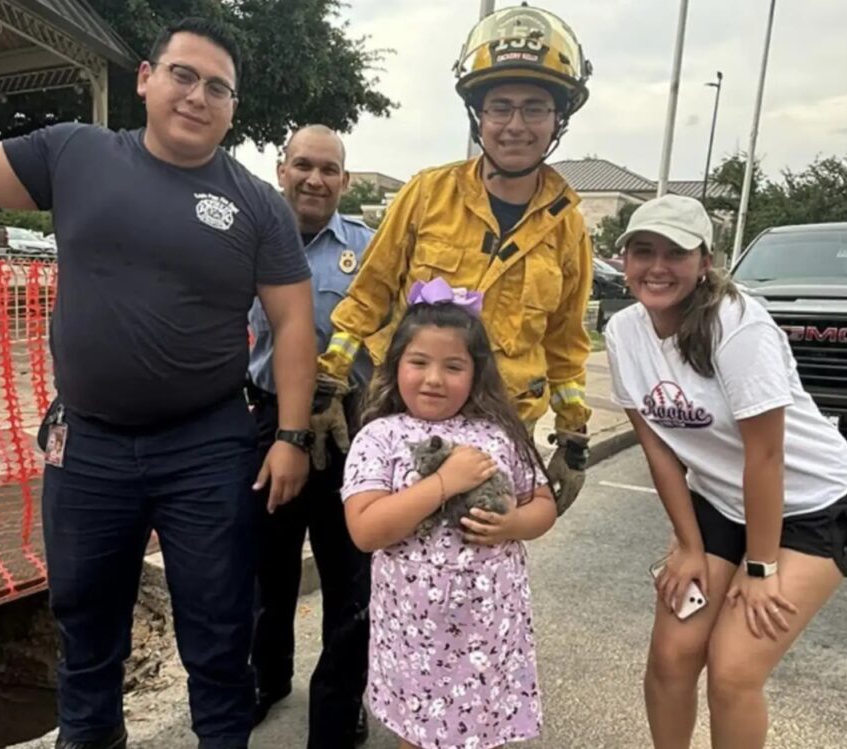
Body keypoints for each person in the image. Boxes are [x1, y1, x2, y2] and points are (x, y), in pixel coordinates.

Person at [0, 14, 317, 749]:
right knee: (85, 624)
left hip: (208, 446)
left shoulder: (257, 203)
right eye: (183, 76)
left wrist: (291, 436)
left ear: (234, 108)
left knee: (220, 627)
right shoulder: (75, 151)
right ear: (145, 79)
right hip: (89, 446)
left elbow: (293, 323)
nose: (198, 97)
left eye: (218, 88)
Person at [313, 5, 596, 515]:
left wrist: (573, 436)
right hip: (409, 422)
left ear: (559, 118)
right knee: (403, 557)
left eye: (534, 108)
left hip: (504, 430)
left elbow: (566, 343)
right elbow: (369, 295)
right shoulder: (426, 195)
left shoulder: (567, 226)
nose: (515, 125)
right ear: (478, 115)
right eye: (500, 107)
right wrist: (328, 384)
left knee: (484, 567)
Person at [603, 195, 847, 749]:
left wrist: (761, 566)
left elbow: (765, 457)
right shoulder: (624, 332)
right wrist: (690, 546)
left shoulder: (738, 327)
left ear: (705, 262)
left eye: (675, 252)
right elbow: (660, 452)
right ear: (623, 260)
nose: (657, 266)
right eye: (642, 251)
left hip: (809, 504)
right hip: (719, 503)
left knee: (733, 667)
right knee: (673, 654)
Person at [342, 277, 558, 749]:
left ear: (476, 374)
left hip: (488, 627)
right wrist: (445, 482)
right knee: (420, 735)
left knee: (482, 730)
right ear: (396, 364)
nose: (434, 378)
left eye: (453, 366)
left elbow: (543, 505)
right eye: (418, 362)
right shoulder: (379, 437)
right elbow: (365, 529)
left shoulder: (500, 434)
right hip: (414, 632)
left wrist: (513, 524)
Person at [246, 125, 371, 746]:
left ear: (345, 181)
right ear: (281, 169)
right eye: (303, 165)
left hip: (352, 429)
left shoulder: (370, 254)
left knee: (350, 575)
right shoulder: (249, 243)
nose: (315, 179)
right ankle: (267, 680)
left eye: (329, 169)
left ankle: (339, 706)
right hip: (267, 420)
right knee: (266, 566)